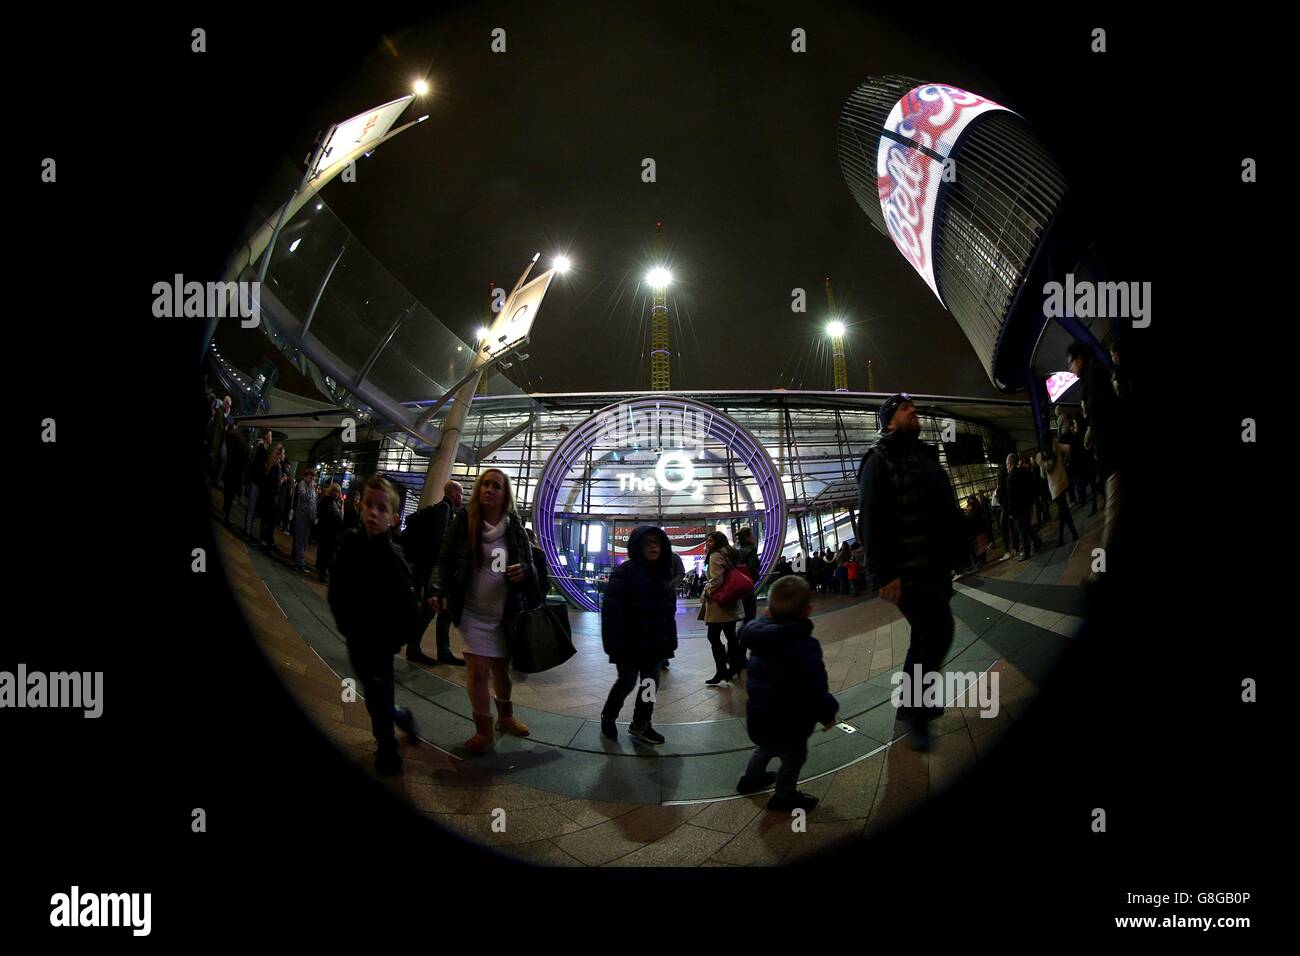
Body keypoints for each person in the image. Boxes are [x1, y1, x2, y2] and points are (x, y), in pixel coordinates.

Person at [857, 393, 967, 750]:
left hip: (933, 564)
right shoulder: (877, 460)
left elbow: (944, 505)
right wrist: (884, 573)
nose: (913, 411)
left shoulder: (923, 455)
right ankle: (917, 714)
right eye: (904, 409)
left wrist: (962, 543)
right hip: (906, 570)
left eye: (913, 407)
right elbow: (870, 520)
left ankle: (910, 704)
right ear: (889, 420)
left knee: (924, 636)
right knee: (938, 632)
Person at [428, 469, 543, 755]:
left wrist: (526, 571)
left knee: (501, 670)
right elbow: (444, 556)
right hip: (471, 612)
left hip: (504, 615)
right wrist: (437, 587)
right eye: (486, 484)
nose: (490, 489)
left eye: (497, 486)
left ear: (506, 495)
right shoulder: (465, 519)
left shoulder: (514, 525)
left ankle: (506, 718)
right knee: (477, 671)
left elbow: (532, 568)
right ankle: (483, 730)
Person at [326, 475, 423, 776]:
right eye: (369, 505)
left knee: (378, 697)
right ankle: (399, 716)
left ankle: (387, 749)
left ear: (394, 518)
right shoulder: (350, 544)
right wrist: (348, 626)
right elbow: (337, 591)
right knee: (375, 693)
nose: (373, 513)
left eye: (382, 508)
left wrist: (390, 640)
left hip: (380, 646)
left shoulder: (393, 558)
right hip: (356, 640)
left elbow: (409, 609)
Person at [735, 575, 838, 812]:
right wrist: (828, 713)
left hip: (760, 718)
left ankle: (751, 779)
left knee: (764, 748)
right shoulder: (804, 646)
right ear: (808, 610)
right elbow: (815, 690)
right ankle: (784, 796)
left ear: (768, 609)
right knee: (794, 758)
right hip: (790, 723)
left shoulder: (759, 638)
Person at [599, 525, 677, 745]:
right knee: (627, 681)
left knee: (650, 684)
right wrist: (614, 645)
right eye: (648, 542)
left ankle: (641, 723)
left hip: (653, 645)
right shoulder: (624, 573)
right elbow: (611, 614)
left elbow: (667, 615)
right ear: (637, 546)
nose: (653, 546)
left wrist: (668, 643)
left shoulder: (662, 575)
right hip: (628, 645)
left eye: (657, 542)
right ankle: (609, 715)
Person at [1068, 341, 1124, 575]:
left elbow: (1103, 418)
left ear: (1079, 359)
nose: (1070, 368)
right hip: (1112, 454)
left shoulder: (1095, 378)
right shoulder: (1095, 376)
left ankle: (1097, 573)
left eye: (1070, 362)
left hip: (1113, 455)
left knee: (1111, 514)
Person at [400, 480, 466, 666]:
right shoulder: (445, 508)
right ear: (453, 493)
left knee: (443, 612)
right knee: (429, 611)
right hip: (438, 572)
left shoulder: (443, 508)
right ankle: (414, 648)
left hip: (436, 571)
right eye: (460, 493)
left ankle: (443, 651)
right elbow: (440, 540)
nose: (462, 497)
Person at [700, 530, 745, 685]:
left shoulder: (715, 555)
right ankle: (734, 667)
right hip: (732, 599)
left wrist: (706, 591)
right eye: (707, 541)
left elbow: (716, 580)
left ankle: (722, 670)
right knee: (731, 636)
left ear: (717, 542)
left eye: (710, 541)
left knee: (713, 636)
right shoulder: (731, 553)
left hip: (719, 602)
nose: (708, 544)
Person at [1036, 438, 1079, 548]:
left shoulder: (1041, 456)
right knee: (1063, 511)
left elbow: (1045, 472)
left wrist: (1048, 461)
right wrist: (1063, 460)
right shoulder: (1056, 447)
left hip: (1055, 487)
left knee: (1064, 511)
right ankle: (1063, 538)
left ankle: (1073, 534)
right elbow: (1069, 448)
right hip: (1063, 482)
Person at [1009, 454, 1042, 561]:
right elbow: (1032, 486)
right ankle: (1037, 542)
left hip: (1018, 509)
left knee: (1022, 530)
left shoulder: (1010, 477)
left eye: (1007, 464)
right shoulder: (1025, 471)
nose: (1007, 466)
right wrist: (1031, 501)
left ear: (1010, 463)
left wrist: (1011, 511)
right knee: (1027, 526)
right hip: (1027, 505)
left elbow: (1011, 496)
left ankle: (1026, 552)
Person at [244, 430, 272, 539]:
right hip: (255, 481)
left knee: (253, 507)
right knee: (251, 507)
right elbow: (256, 465)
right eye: (270, 435)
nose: (271, 438)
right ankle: (247, 531)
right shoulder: (261, 448)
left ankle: (248, 529)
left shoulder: (263, 448)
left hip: (257, 481)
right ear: (265, 436)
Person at [259, 443, 287, 551]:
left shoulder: (271, 463)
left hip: (267, 495)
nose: (284, 455)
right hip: (272, 497)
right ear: (280, 454)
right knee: (269, 521)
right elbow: (276, 484)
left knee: (265, 519)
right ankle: (266, 541)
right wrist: (283, 479)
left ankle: (266, 540)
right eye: (283, 453)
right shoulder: (278, 466)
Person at [291, 468, 318, 573]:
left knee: (304, 541)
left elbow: (313, 502)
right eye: (311, 478)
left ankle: (300, 561)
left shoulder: (311, 487)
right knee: (300, 540)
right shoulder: (302, 484)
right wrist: (310, 490)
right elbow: (303, 497)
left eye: (313, 478)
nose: (312, 480)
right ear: (307, 476)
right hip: (302, 516)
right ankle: (299, 563)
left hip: (308, 517)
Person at [221, 426, 249, 528]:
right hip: (236, 475)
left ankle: (224, 511)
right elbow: (245, 464)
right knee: (231, 496)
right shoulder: (244, 447)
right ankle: (226, 515)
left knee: (227, 494)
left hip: (229, 471)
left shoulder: (233, 442)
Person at [662, 548, 685, 670]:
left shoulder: (673, 557)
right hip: (650, 596)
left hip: (667, 597)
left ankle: (664, 655)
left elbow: (681, 573)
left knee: (666, 625)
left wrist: (669, 586)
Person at [315, 483, 343, 582]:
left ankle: (322, 570)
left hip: (331, 532)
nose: (336, 493)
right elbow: (320, 512)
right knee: (325, 553)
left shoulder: (335, 502)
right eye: (334, 491)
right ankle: (322, 573)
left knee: (326, 553)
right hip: (326, 531)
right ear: (331, 491)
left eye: (338, 491)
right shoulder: (326, 500)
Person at [734, 527, 761, 626]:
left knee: (746, 617)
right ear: (746, 538)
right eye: (751, 535)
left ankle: (742, 637)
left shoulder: (739, 550)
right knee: (750, 616)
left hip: (740, 586)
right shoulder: (751, 550)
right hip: (748, 585)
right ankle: (744, 638)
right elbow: (752, 568)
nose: (753, 537)